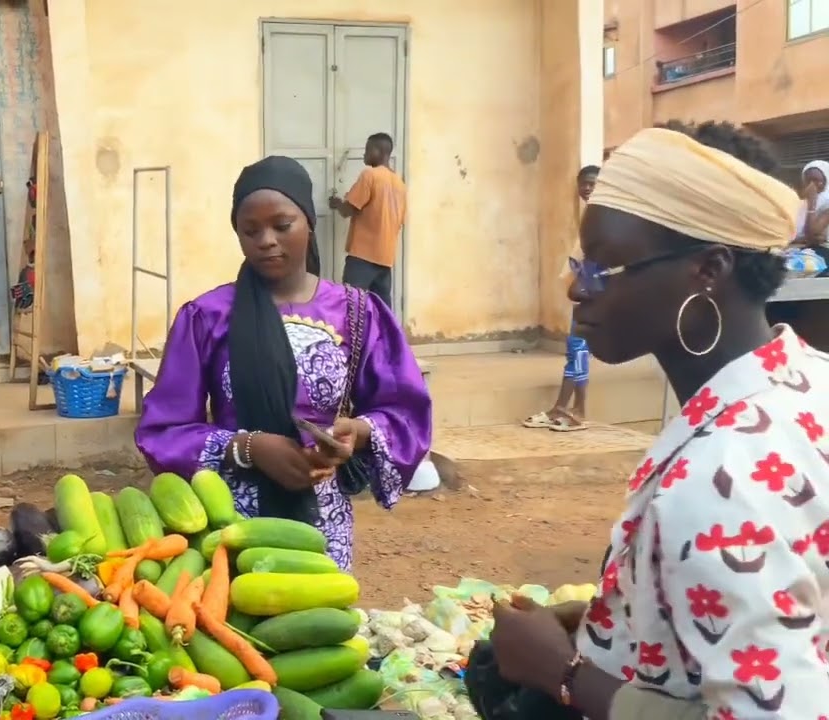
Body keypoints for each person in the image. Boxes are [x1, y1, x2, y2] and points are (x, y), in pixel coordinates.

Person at [485, 122, 829, 719]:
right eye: (579, 263)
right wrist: (626, 617)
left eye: (602, 268)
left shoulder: (721, 481)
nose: (575, 288)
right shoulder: (806, 377)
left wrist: (563, 674)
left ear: (708, 270)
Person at [135, 156, 432, 570]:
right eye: (250, 230)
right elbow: (164, 431)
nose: (266, 240)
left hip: (323, 525)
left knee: (320, 626)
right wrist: (248, 448)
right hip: (232, 524)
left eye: (282, 224)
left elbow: (403, 410)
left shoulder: (359, 312)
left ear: (309, 222)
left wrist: (356, 433)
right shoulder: (206, 317)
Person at [524, 165, 600, 432]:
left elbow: (598, 256)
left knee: (579, 350)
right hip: (584, 288)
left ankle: (580, 411)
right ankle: (562, 406)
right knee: (574, 350)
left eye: (592, 183)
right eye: (583, 184)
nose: (587, 188)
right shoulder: (590, 213)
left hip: (593, 289)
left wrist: (587, 285)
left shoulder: (602, 215)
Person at [329, 133, 406, 308]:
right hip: (385, 258)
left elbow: (348, 210)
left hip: (363, 256)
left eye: (367, 150)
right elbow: (400, 220)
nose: (364, 154)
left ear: (378, 151)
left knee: (351, 306)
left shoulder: (370, 175)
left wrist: (337, 204)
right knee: (381, 309)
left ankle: (351, 337)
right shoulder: (399, 184)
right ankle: (383, 336)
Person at [793, 159, 829, 266]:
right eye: (809, 181)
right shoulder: (800, 201)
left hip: (823, 251)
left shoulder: (827, 202)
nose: (813, 185)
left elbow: (812, 234)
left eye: (818, 181)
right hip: (801, 249)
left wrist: (812, 204)